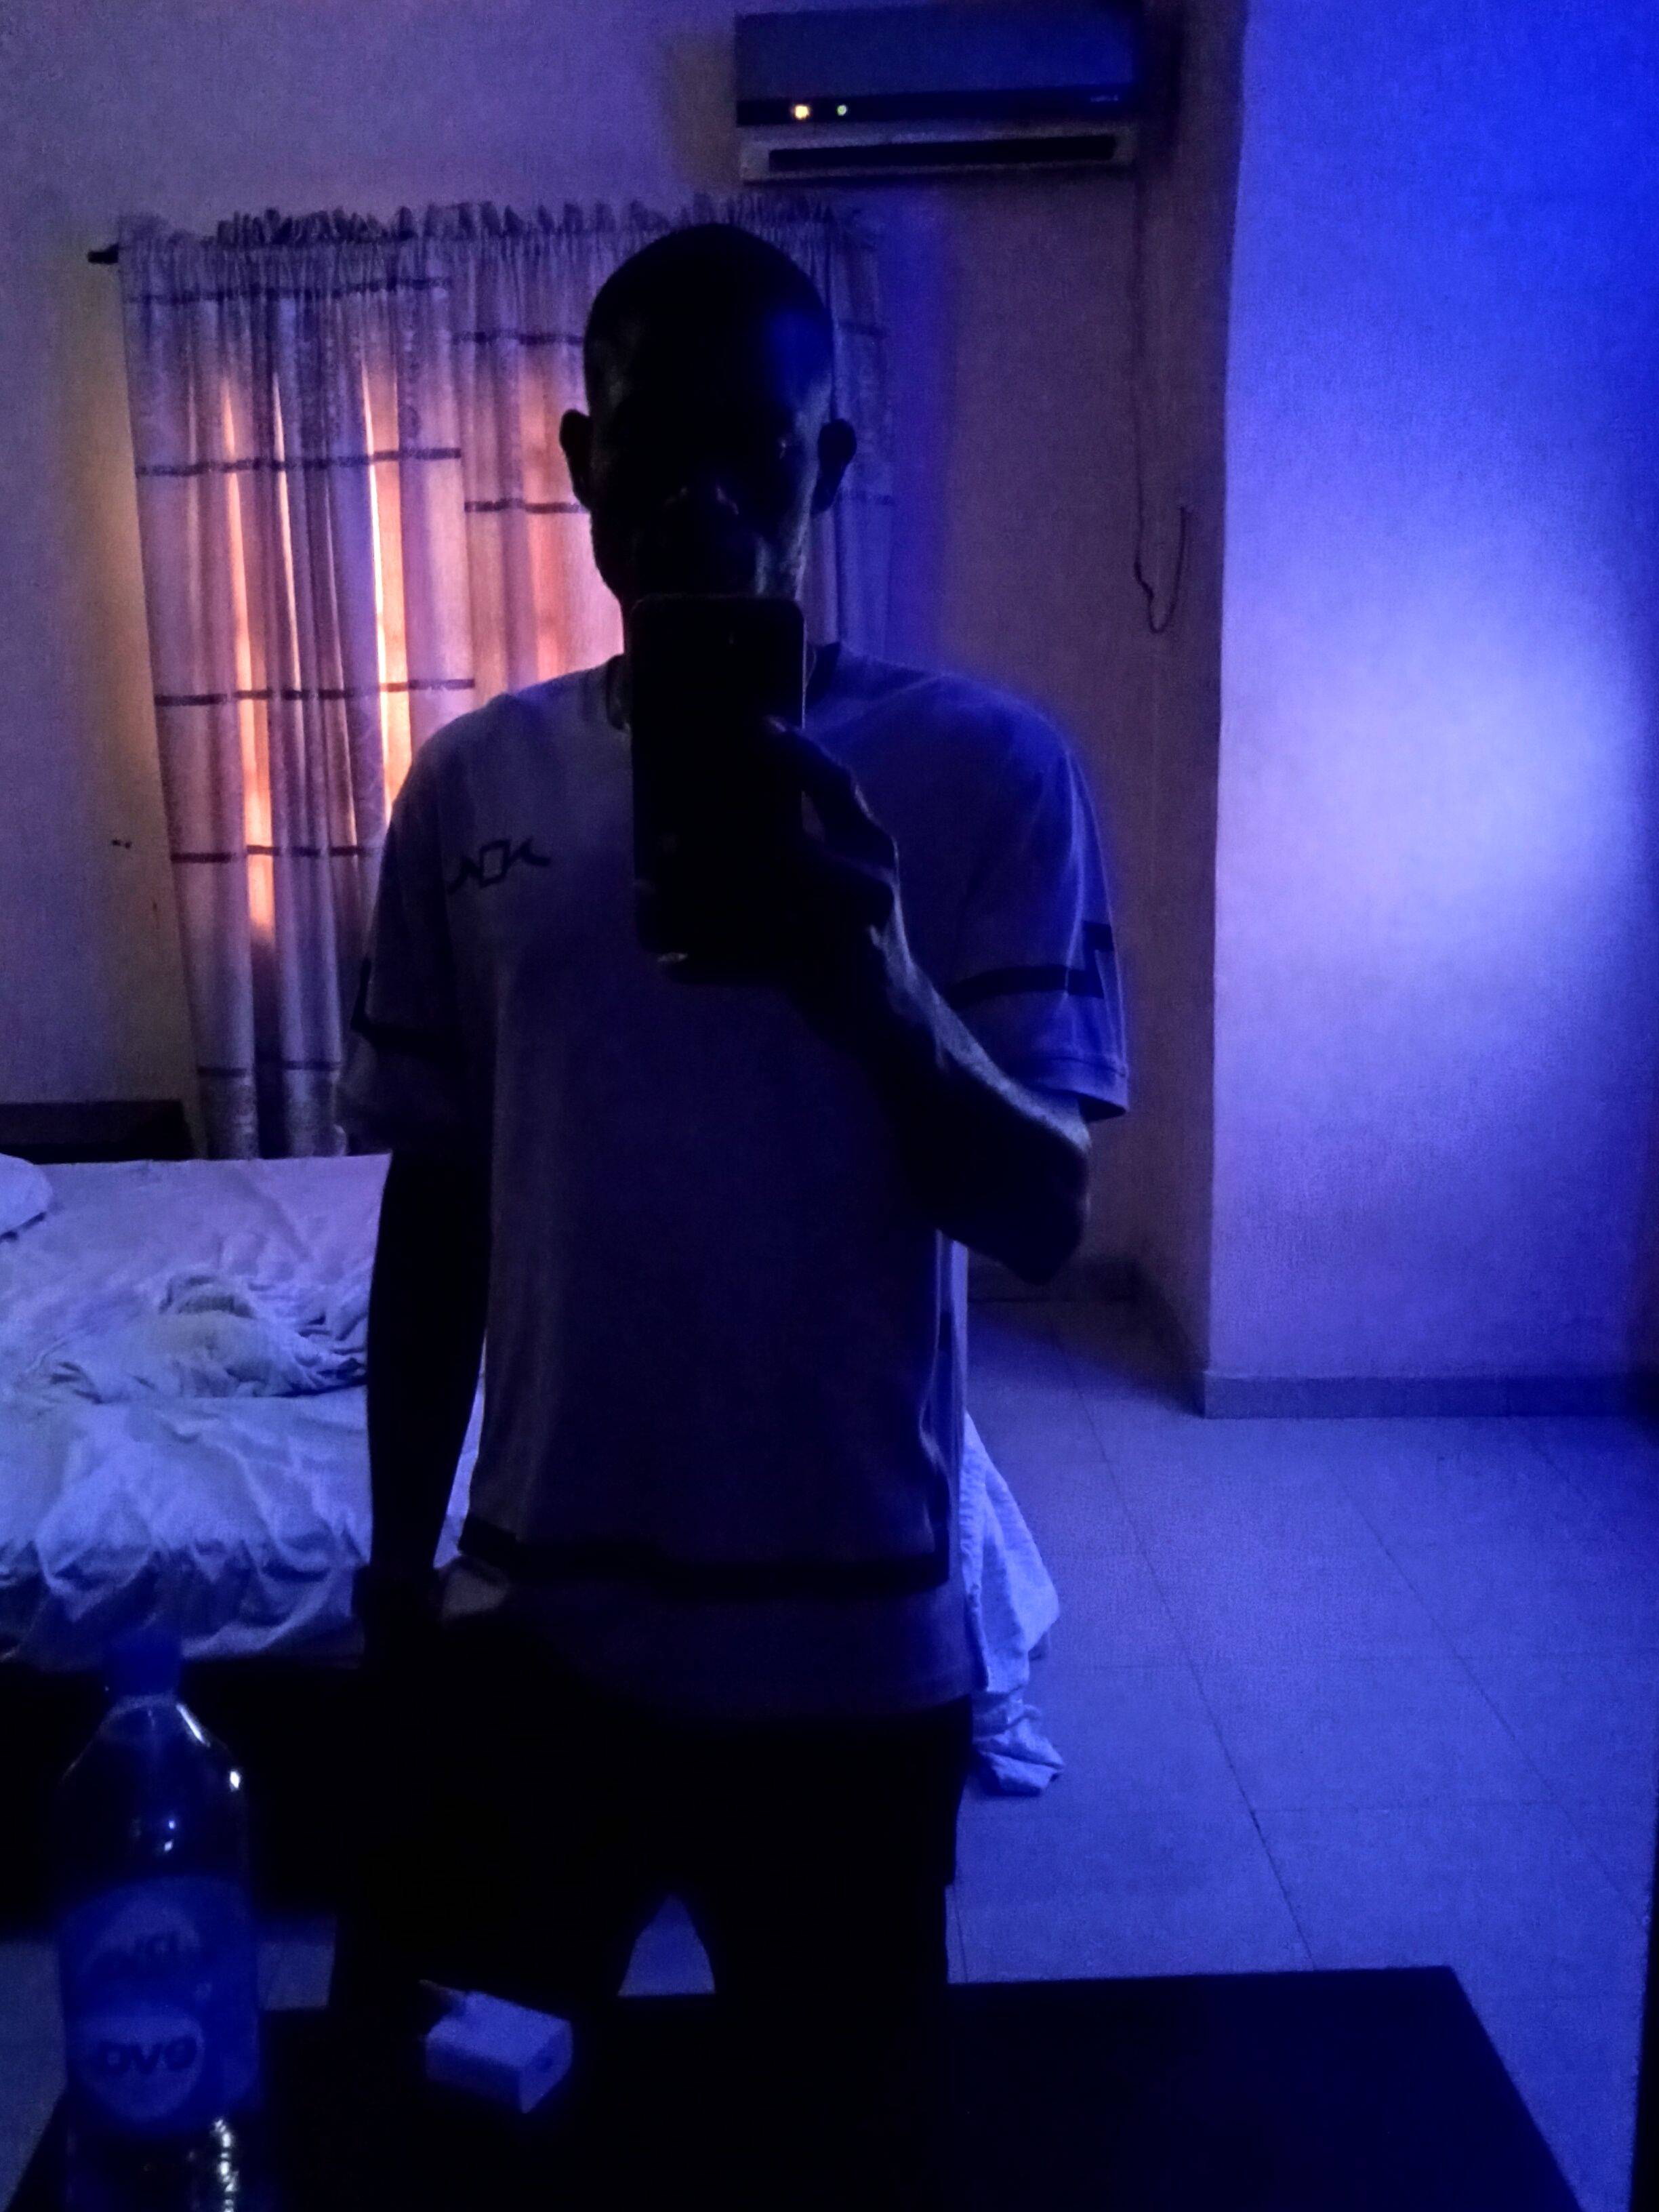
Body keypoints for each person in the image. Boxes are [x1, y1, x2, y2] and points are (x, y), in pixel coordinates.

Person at [329, 222, 1129, 2208]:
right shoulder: (468, 789)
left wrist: (876, 986)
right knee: (469, 2152)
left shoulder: (988, 775)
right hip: (537, 1627)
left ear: (827, 464)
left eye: (753, 448)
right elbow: (440, 1203)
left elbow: (1040, 1211)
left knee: (839, 2167)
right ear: (581, 463)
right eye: (653, 444)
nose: (700, 498)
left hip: (851, 1652)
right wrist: (395, 1572)